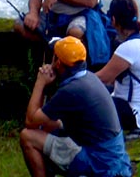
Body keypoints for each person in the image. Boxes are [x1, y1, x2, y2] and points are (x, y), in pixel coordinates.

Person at [19, 37, 132, 177]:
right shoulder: (88, 78)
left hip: (98, 164)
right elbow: (47, 120)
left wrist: (40, 83)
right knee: (51, 125)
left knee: (28, 137)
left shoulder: (71, 90)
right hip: (113, 161)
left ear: (58, 63)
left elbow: (31, 121)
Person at [95, 0, 140, 132]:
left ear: (113, 20)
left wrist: (73, 78)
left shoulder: (129, 48)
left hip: (139, 115)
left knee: (91, 103)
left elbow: (102, 78)